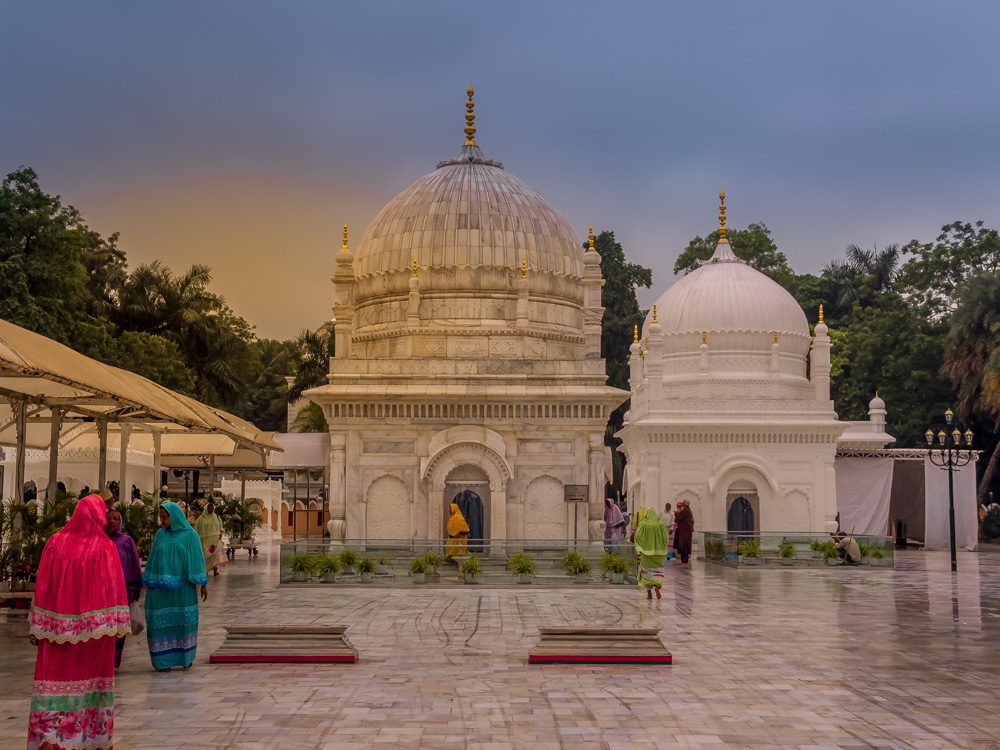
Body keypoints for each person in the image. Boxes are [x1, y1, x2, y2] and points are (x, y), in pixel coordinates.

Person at [27, 494, 130, 750]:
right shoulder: (105, 548)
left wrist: (38, 624)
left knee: (53, 683)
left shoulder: (53, 545)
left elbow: (42, 588)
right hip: (94, 639)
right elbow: (114, 589)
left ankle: (50, 736)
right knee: (91, 685)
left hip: (55, 635)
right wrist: (114, 627)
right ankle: (88, 739)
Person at [143, 501, 208, 672]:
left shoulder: (190, 535)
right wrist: (148, 581)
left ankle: (185, 657)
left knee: (183, 621)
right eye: (161, 517)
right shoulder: (160, 535)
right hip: (160, 588)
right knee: (159, 623)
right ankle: (162, 661)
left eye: (165, 518)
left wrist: (202, 584)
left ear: (175, 517)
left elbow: (197, 559)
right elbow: (152, 558)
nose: (162, 521)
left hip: (183, 589)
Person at [106, 509, 143, 669]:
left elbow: (134, 563)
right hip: (104, 589)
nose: (112, 521)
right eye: (109, 518)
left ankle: (114, 660)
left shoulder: (126, 541)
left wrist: (136, 586)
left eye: (116, 518)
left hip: (124, 589)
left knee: (120, 624)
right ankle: (104, 659)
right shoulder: (100, 540)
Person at [633, 507, 669, 600]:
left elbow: (638, 536)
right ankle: (657, 587)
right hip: (659, 554)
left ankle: (649, 593)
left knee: (647, 572)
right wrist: (663, 547)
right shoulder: (660, 524)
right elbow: (666, 537)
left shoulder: (643, 524)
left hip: (646, 553)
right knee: (658, 571)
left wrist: (639, 549)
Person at [194, 501, 225, 576]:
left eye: (212, 508)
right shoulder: (201, 518)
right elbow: (196, 528)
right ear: (206, 509)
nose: (210, 510)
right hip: (204, 540)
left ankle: (215, 570)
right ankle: (206, 571)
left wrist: (220, 534)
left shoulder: (217, 517)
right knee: (206, 555)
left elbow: (220, 526)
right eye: (209, 508)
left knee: (215, 555)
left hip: (215, 540)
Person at [674, 500, 695, 567]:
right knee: (683, 546)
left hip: (685, 533)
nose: (682, 506)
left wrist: (677, 513)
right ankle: (683, 561)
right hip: (684, 532)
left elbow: (677, 519)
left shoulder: (686, 511)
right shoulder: (687, 510)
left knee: (685, 546)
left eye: (683, 505)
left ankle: (685, 562)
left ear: (685, 505)